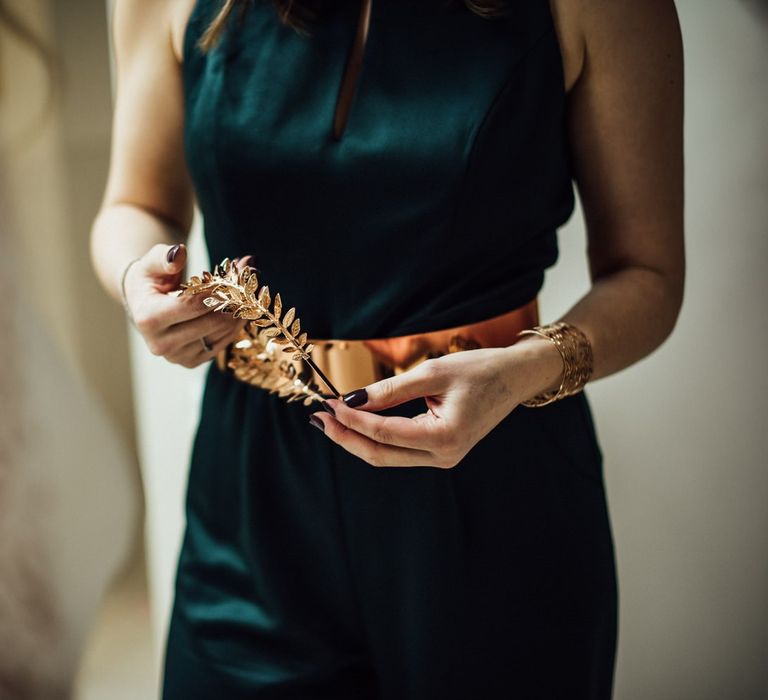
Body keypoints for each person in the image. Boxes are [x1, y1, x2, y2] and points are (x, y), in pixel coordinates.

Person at [90, 0, 684, 697]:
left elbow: (648, 274)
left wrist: (532, 366)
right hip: (251, 499)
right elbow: (133, 203)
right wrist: (139, 280)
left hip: (494, 484)